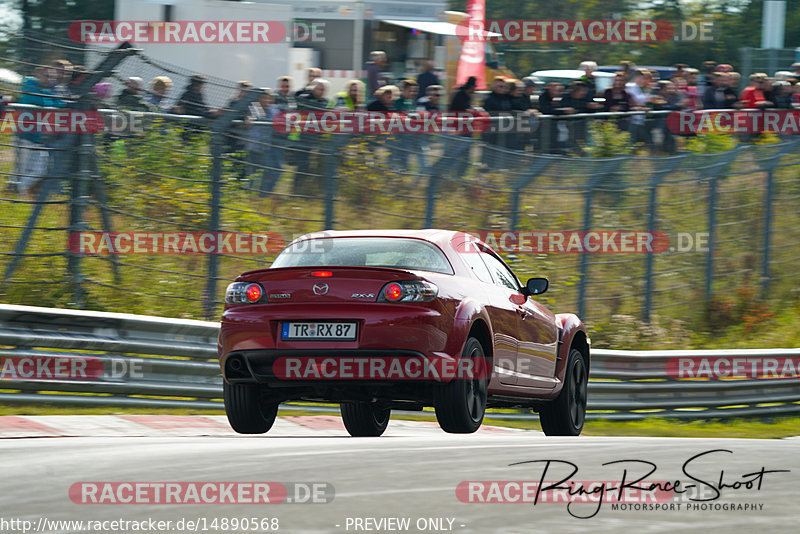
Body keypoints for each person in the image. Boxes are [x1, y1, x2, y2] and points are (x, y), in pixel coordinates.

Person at [245, 89, 282, 195]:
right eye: (263, 98)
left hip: (266, 147)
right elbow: (249, 117)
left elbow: (279, 120)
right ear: (259, 99)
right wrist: (247, 118)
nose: (266, 100)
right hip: (253, 147)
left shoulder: (273, 110)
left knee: (271, 171)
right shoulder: (254, 108)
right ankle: (249, 196)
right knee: (253, 173)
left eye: (268, 98)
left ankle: (263, 195)